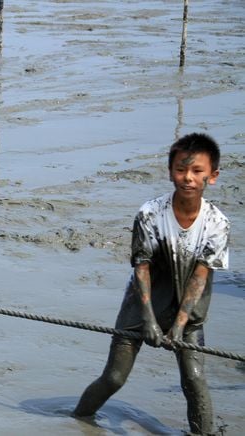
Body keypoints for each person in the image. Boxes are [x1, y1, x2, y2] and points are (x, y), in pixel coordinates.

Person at [72, 133, 229, 435]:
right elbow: (141, 268)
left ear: (213, 176)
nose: (188, 178)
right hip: (140, 308)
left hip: (190, 314)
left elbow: (200, 276)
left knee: (194, 380)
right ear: (170, 171)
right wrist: (149, 321)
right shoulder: (150, 214)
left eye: (197, 171)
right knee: (115, 377)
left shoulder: (217, 224)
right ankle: (77, 417)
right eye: (181, 170)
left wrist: (180, 324)